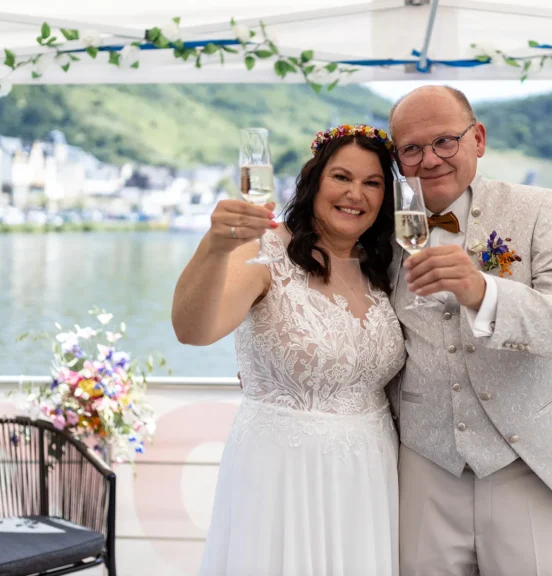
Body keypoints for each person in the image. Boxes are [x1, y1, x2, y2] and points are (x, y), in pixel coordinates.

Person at [386, 85, 552, 575]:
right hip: (424, 466)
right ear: (398, 159)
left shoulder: (536, 209)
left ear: (478, 139)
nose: (429, 160)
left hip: (529, 466)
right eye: (412, 149)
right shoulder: (380, 227)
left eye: (445, 141)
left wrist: (484, 293)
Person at [172, 124, 405, 575]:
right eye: (341, 177)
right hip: (281, 475)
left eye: (372, 182)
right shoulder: (264, 254)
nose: (355, 193)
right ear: (313, 182)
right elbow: (193, 331)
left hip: (371, 475)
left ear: (385, 199)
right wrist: (214, 248)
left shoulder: (383, 269)